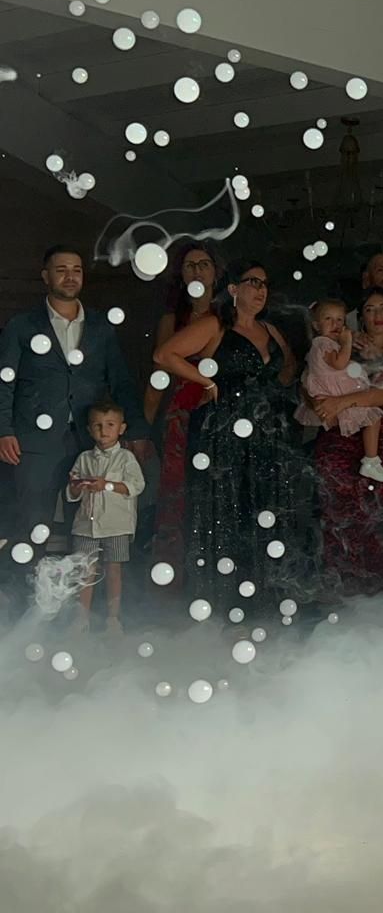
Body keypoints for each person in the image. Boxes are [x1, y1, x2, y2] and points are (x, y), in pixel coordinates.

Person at [153, 260, 303, 615]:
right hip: (223, 436)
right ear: (234, 289)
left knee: (261, 511)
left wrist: (272, 397)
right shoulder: (215, 324)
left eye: (265, 283)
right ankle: (224, 603)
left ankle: (261, 602)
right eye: (253, 282)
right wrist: (207, 381)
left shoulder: (271, 329)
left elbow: (289, 368)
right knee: (226, 511)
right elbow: (164, 354)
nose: (261, 289)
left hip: (266, 438)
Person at [1, 245, 148, 568]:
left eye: (77, 270)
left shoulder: (100, 327)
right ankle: (24, 607)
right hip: (34, 443)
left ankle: (75, 609)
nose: (70, 277)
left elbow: (121, 380)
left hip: (89, 442)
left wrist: (136, 430)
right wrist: (3, 430)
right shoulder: (22, 325)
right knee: (30, 525)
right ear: (45, 276)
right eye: (61, 269)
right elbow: (4, 381)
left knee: (85, 530)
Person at [309, 288, 383, 597]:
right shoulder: (340, 348)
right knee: (335, 524)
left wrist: (340, 401)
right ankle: (337, 601)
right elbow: (315, 382)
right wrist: (323, 403)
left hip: (377, 447)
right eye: (369, 309)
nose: (378, 315)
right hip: (336, 441)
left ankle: (370, 603)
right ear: (360, 316)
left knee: (373, 524)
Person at [144, 241, 222, 580]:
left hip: (217, 411)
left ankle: (207, 575)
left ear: (216, 272)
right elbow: (158, 376)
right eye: (190, 265)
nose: (197, 270)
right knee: (176, 491)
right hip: (180, 411)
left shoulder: (228, 317)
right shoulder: (171, 319)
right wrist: (144, 428)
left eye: (204, 264)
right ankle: (172, 578)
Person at [63, 398, 145, 634]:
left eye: (110, 424)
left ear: (121, 428)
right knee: (85, 571)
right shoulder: (84, 458)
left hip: (115, 525)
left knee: (113, 569)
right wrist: (76, 487)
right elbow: (72, 493)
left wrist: (107, 485)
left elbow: (135, 486)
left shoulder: (126, 459)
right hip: (85, 525)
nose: (103, 430)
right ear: (89, 429)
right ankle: (81, 619)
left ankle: (113, 618)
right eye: (97, 425)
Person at [295, 297, 383, 483]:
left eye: (339, 320)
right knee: (373, 416)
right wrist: (347, 341)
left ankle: (371, 461)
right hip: (337, 398)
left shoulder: (320, 345)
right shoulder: (325, 344)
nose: (335, 324)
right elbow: (339, 364)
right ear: (316, 325)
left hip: (336, 396)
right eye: (328, 319)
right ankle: (371, 460)